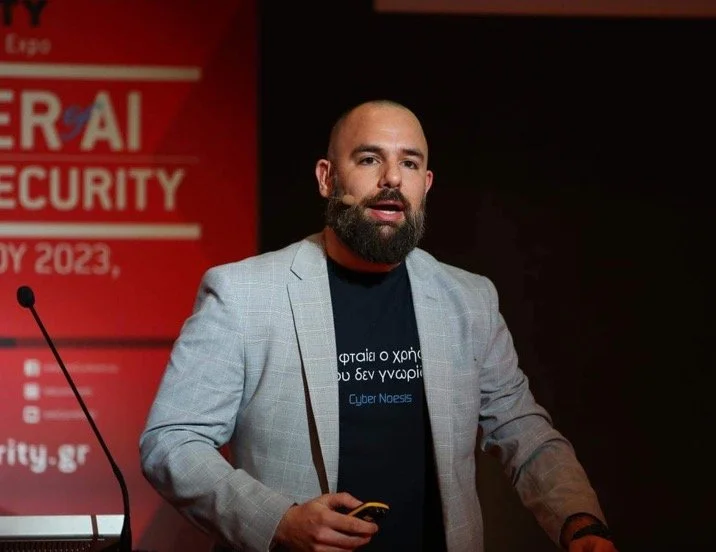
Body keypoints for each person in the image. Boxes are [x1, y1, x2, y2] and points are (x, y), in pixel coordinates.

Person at [139, 99, 619, 552]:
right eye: (369, 159)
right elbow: (172, 441)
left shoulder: (469, 299)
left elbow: (521, 428)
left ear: (426, 184)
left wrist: (578, 520)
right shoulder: (243, 294)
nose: (392, 178)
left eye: (409, 164)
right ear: (327, 178)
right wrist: (279, 521)